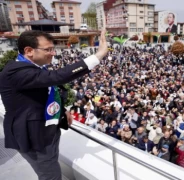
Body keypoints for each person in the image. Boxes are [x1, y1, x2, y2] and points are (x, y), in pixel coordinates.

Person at [0, 29, 108, 180]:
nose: (53, 53)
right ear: (29, 51)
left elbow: (45, 94)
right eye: (48, 49)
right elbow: (57, 77)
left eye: (53, 49)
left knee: (51, 166)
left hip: (45, 131)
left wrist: (62, 111)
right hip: (34, 138)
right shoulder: (17, 72)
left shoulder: (33, 67)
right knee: (51, 176)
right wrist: (98, 56)